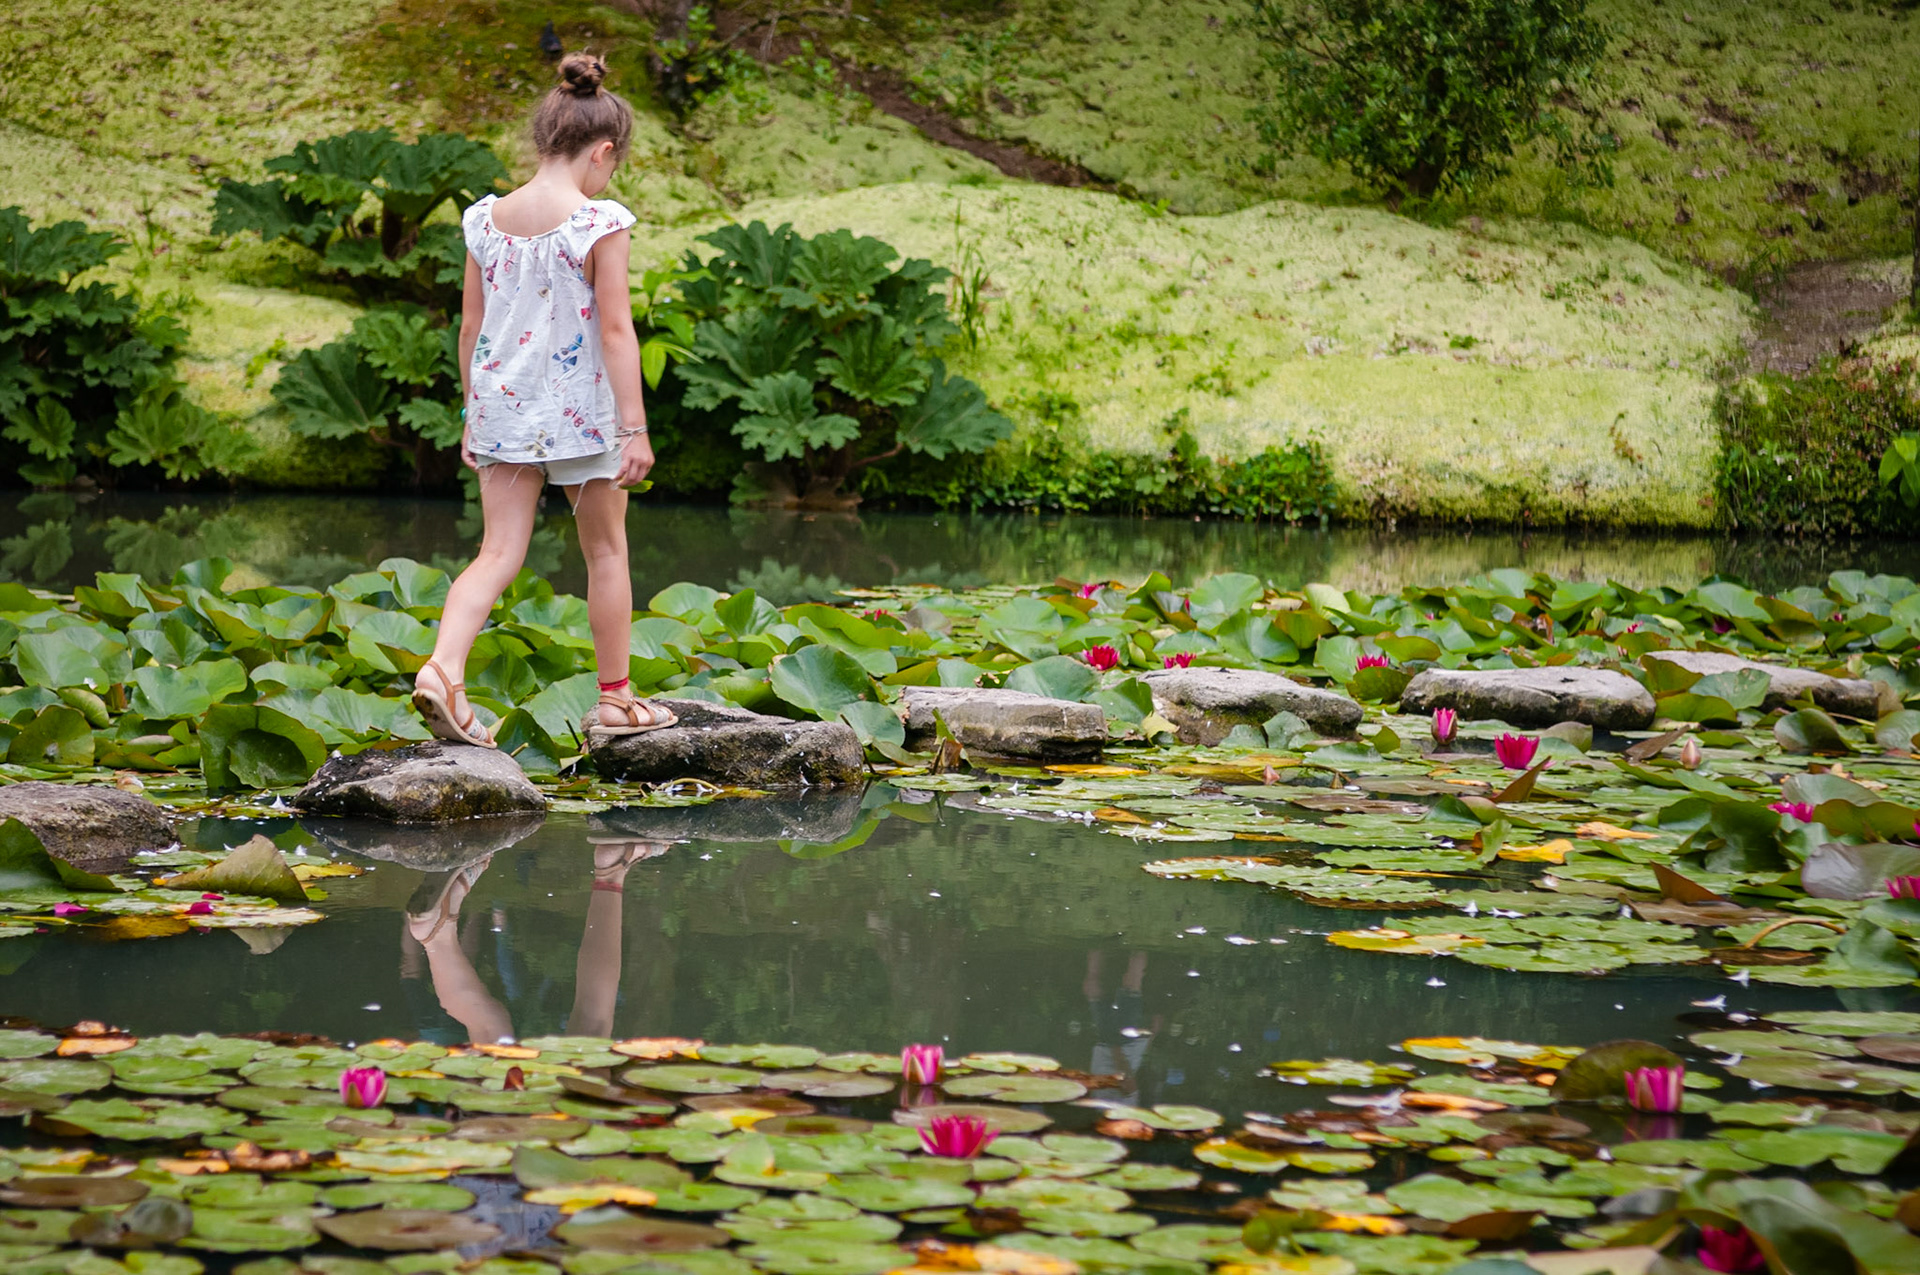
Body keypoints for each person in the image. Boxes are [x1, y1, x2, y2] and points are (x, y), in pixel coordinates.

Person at [410, 52, 676, 747]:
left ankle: (444, 668)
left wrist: (471, 411)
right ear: (604, 151)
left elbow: (470, 327)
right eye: (612, 165)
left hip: (500, 405)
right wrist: (634, 429)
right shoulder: (599, 221)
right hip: (581, 415)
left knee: (497, 551)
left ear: (541, 139)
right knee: (606, 553)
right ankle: (616, 702)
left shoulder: (483, 220)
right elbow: (617, 331)